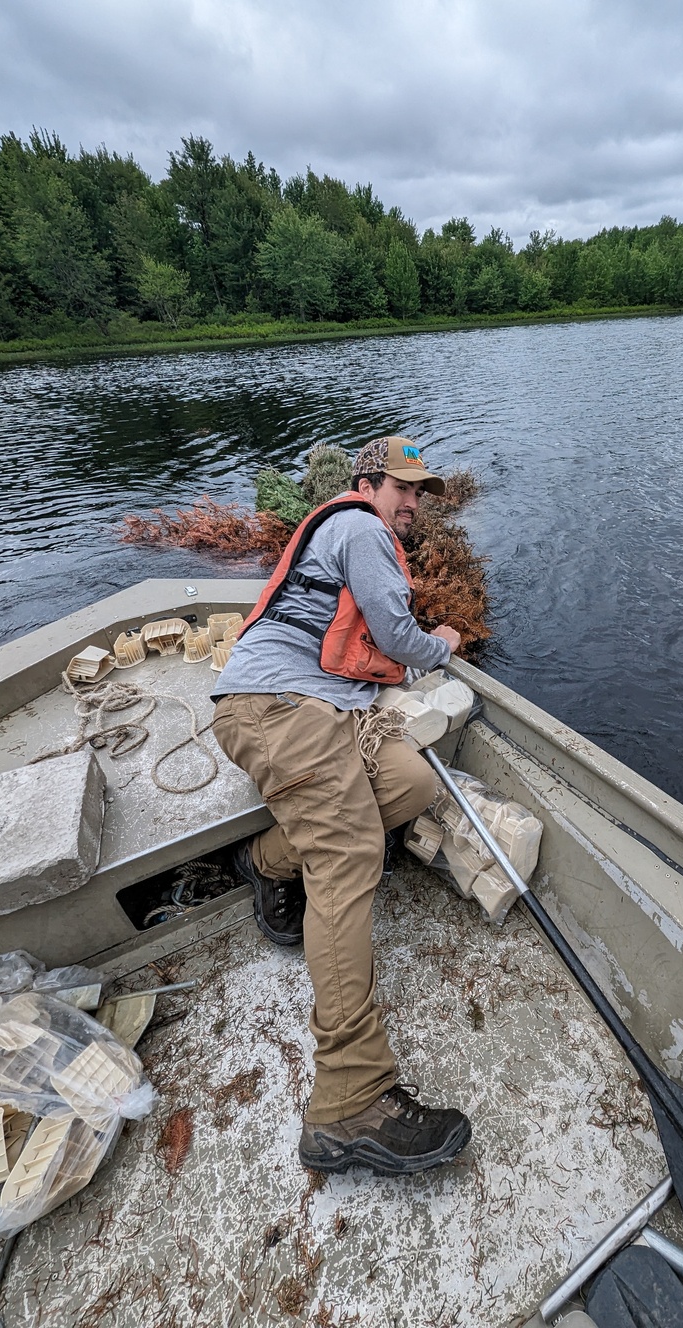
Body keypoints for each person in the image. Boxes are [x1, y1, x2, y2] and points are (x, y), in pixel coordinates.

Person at [211, 436, 471, 1176]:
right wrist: (443, 644)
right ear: (366, 482)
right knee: (351, 851)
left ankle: (263, 860)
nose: (412, 504)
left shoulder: (359, 531)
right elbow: (396, 635)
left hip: (325, 708)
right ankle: (349, 1100)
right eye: (403, 488)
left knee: (412, 786)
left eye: (420, 494)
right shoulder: (362, 527)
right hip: (279, 706)